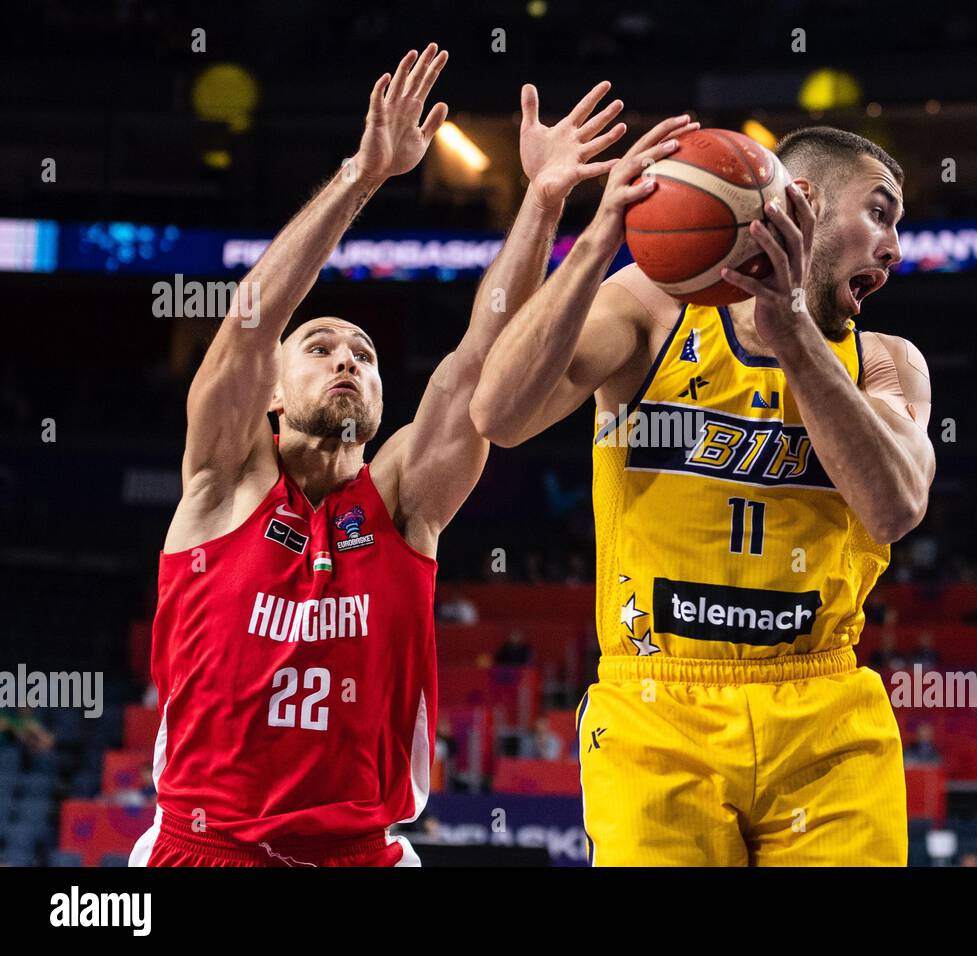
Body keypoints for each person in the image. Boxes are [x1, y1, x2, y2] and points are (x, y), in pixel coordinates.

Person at [130, 46, 628, 867]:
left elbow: (483, 358)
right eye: (321, 348)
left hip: (363, 852)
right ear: (274, 396)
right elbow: (253, 320)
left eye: (362, 353)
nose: (346, 361)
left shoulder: (402, 503)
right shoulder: (220, 486)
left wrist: (543, 202)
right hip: (204, 847)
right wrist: (364, 177)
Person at [473, 126, 933, 865]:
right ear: (802, 203)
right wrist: (596, 237)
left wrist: (793, 338)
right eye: (881, 213)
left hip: (826, 715)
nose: (895, 249)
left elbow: (895, 506)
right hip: (657, 709)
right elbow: (499, 413)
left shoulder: (885, 363)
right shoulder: (650, 309)